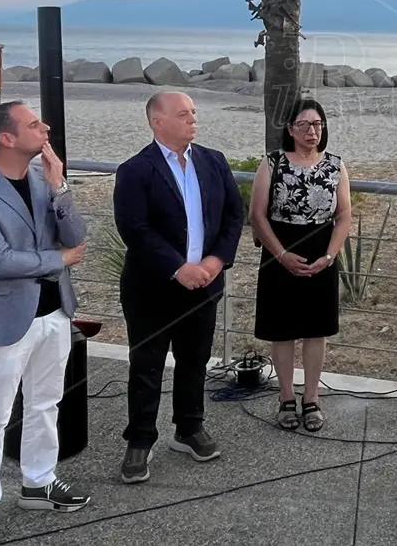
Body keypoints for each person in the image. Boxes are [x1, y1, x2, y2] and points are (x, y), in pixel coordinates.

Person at [0, 101, 91, 546]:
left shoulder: (40, 181)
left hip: (54, 311)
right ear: (6, 138)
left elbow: (76, 237)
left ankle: (39, 480)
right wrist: (59, 260)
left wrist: (60, 185)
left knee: (46, 403)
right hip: (4, 318)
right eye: (34, 123)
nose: (45, 127)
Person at [113, 91, 244, 483]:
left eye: (194, 113)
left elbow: (233, 215)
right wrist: (177, 268)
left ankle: (189, 428)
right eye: (183, 114)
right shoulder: (136, 170)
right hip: (152, 286)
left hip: (205, 283)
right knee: (147, 364)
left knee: (195, 359)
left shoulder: (213, 161)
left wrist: (215, 261)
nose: (193, 120)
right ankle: (140, 440)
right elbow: (134, 229)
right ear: (158, 121)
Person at [250, 98, 352, 432]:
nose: (312, 131)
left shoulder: (336, 165)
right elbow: (257, 216)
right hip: (281, 251)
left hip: (321, 254)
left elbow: (344, 215)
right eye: (305, 124)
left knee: (315, 330)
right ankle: (285, 399)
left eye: (318, 124)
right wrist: (280, 255)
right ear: (291, 129)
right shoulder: (273, 163)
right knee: (282, 330)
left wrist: (330, 256)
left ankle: (311, 399)